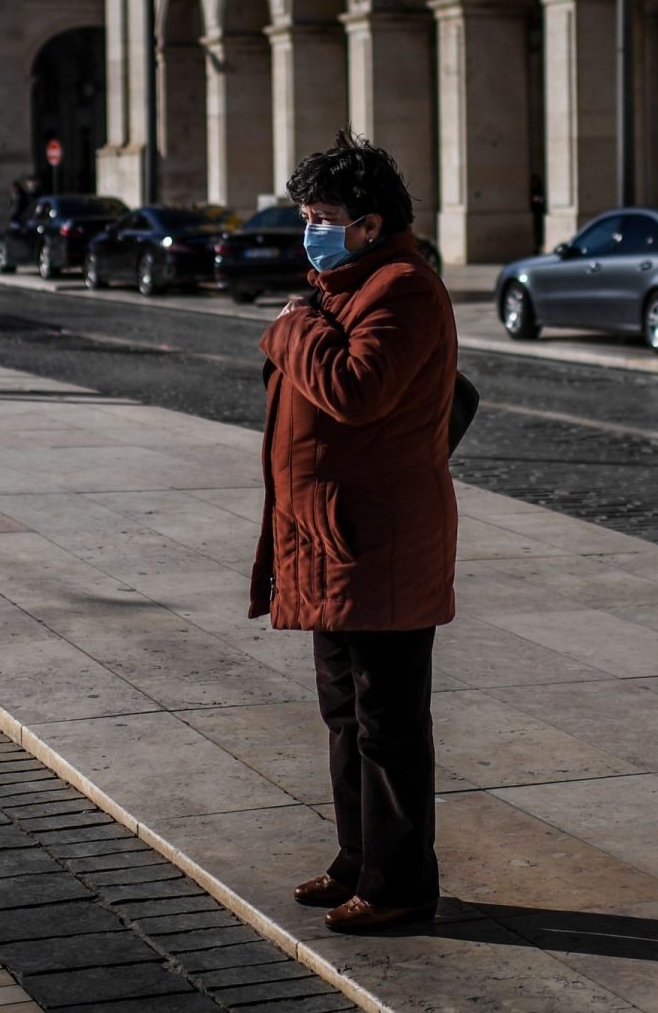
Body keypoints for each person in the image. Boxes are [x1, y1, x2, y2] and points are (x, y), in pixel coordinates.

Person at [252, 130, 458, 935]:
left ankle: (401, 884)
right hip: (330, 541)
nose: (311, 228)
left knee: (389, 728)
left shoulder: (402, 288)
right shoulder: (340, 286)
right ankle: (357, 858)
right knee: (346, 719)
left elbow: (356, 388)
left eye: (324, 214)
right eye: (307, 213)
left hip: (381, 544)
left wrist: (291, 329)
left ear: (370, 223)